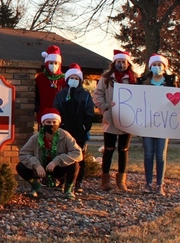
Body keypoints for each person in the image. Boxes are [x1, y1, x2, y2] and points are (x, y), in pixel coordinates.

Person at [93, 50, 137, 192]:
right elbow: (97, 94)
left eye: (124, 62)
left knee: (123, 150)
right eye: (119, 62)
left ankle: (121, 181)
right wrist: (105, 108)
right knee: (109, 149)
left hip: (127, 119)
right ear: (114, 63)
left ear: (128, 63)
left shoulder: (133, 78)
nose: (121, 64)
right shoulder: (106, 78)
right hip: (111, 118)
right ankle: (105, 179)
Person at [137, 54, 179, 196]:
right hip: (148, 123)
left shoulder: (170, 82)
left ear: (165, 67)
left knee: (160, 155)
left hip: (164, 123)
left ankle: (160, 184)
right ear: (150, 66)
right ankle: (148, 184)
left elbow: (178, 100)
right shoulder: (143, 82)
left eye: (160, 65)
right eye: (154, 65)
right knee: (148, 154)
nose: (157, 67)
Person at [17, 109, 83, 199]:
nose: (51, 125)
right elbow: (23, 154)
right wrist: (36, 165)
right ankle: (36, 187)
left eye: (54, 122)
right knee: (21, 167)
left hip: (58, 167)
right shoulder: (36, 137)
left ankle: (68, 189)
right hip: (41, 168)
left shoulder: (65, 135)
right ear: (43, 123)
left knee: (75, 165)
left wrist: (57, 161)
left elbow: (77, 153)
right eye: (48, 122)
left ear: (58, 123)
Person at [53, 63, 93, 193]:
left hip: (79, 131)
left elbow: (89, 111)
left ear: (80, 80)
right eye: (72, 78)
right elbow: (56, 111)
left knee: (80, 156)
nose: (74, 80)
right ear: (67, 79)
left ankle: (78, 181)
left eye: (77, 78)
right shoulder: (61, 95)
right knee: (63, 155)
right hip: (65, 130)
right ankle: (63, 180)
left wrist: (86, 126)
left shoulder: (86, 95)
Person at [35, 45, 67, 124]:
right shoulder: (40, 78)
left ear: (59, 64)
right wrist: (37, 109)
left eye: (56, 63)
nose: (54, 66)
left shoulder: (64, 79)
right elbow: (36, 96)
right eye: (51, 63)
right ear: (47, 63)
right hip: (44, 115)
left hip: (60, 115)